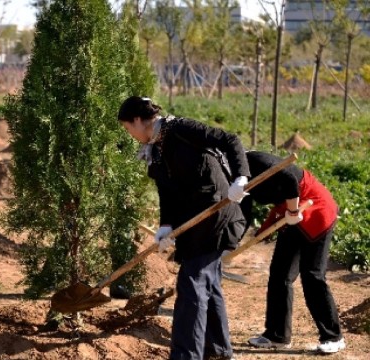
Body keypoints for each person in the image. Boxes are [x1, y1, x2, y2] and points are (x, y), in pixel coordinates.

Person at [118, 96, 250, 360]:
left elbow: (230, 140)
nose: (129, 134)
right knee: (207, 283)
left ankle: (186, 355)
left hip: (218, 213)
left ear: (137, 120)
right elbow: (166, 192)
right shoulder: (154, 150)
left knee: (192, 283)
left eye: (127, 128)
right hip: (194, 221)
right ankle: (219, 350)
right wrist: (165, 226)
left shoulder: (181, 129)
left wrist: (240, 177)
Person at [242, 151, 345, 354]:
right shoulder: (234, 176)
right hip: (290, 215)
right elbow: (246, 211)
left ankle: (333, 336)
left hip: (316, 211)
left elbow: (289, 179)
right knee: (280, 275)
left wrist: (292, 210)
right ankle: (277, 335)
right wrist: (240, 240)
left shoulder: (256, 162)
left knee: (312, 275)